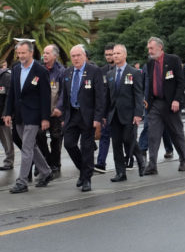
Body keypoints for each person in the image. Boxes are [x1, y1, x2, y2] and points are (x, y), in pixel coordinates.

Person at [53, 44, 106, 192]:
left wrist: (97, 117)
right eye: (73, 56)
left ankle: (87, 179)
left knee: (87, 147)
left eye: (78, 56)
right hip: (72, 115)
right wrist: (62, 113)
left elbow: (100, 97)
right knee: (69, 144)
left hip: (88, 116)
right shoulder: (68, 72)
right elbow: (64, 95)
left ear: (84, 56)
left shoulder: (94, 71)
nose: (76, 59)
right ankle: (83, 170)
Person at [3, 39, 52, 194]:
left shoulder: (40, 71)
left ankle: (22, 181)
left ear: (31, 52)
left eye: (23, 53)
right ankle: (45, 172)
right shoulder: (16, 69)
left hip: (34, 115)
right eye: (18, 53)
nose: (20, 56)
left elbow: (46, 96)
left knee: (26, 148)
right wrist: (7, 112)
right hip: (19, 115)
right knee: (31, 146)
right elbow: (12, 93)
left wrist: (45, 118)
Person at [143, 36, 185, 174]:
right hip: (155, 104)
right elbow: (150, 83)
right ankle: (152, 165)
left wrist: (177, 100)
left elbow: (181, 82)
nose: (149, 51)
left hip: (170, 104)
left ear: (160, 47)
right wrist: (146, 101)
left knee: (176, 133)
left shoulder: (173, 60)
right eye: (149, 49)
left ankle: (184, 159)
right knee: (153, 134)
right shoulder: (150, 63)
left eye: (151, 48)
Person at [106, 43, 145, 181]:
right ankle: (120, 173)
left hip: (129, 114)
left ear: (125, 55)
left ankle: (140, 160)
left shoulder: (134, 72)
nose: (115, 56)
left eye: (118, 53)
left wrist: (138, 114)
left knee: (129, 140)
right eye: (113, 53)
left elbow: (138, 95)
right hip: (114, 115)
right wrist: (105, 115)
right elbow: (107, 96)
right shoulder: (110, 74)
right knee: (116, 144)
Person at [37, 44, 66, 178]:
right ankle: (45, 162)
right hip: (41, 112)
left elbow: (63, 93)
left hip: (55, 113)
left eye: (48, 53)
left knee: (56, 138)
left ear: (55, 55)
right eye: (44, 53)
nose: (45, 55)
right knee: (39, 136)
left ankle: (55, 164)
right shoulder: (39, 70)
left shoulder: (61, 71)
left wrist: (59, 108)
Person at [94, 44, 117, 173]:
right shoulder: (101, 71)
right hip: (106, 110)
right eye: (107, 55)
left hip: (120, 110)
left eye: (111, 54)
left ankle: (133, 157)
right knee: (104, 136)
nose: (109, 57)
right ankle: (101, 163)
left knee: (125, 138)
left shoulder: (124, 70)